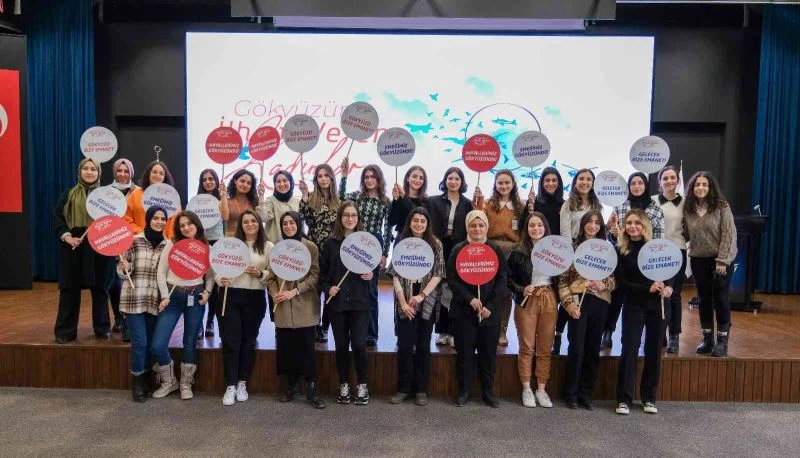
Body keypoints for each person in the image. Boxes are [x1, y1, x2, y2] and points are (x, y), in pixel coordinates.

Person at [447, 210, 508, 408]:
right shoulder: (458, 249)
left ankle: (488, 392)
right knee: (464, 354)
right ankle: (463, 391)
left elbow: (502, 279)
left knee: (488, 355)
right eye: (473, 225)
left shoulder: (495, 249)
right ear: (467, 227)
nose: (477, 229)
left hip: (489, 313)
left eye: (481, 225)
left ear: (487, 227)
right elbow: (452, 279)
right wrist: (469, 298)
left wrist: (490, 305)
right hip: (464, 312)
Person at [151, 211, 214, 400]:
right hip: (172, 296)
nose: (186, 228)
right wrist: (164, 295)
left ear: (197, 224)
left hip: (196, 297)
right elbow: (161, 272)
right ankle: (169, 381)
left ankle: (186, 383)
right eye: (182, 225)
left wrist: (207, 292)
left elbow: (210, 276)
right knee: (158, 344)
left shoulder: (206, 246)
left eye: (189, 224)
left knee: (189, 342)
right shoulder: (173, 244)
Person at [614, 209, 672, 415]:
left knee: (653, 351)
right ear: (624, 227)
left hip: (658, 305)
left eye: (637, 223)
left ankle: (649, 398)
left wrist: (669, 287)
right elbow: (621, 282)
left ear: (645, 225)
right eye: (629, 223)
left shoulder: (657, 248)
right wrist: (646, 288)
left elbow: (671, 271)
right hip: (633, 304)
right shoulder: (621, 250)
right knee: (629, 350)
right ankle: (624, 399)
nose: (633, 227)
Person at [387, 207, 445, 406]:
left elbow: (439, 273)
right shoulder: (401, 242)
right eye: (415, 220)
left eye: (422, 221)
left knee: (423, 346)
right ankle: (403, 389)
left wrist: (422, 296)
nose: (419, 224)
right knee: (404, 346)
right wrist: (403, 302)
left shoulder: (436, 244)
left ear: (428, 224)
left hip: (426, 299)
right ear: (409, 222)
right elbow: (394, 273)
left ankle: (421, 390)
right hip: (405, 299)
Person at [558, 211, 616, 410]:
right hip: (577, 302)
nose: (593, 226)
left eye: (597, 223)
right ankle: (571, 393)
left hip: (600, 303)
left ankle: (586, 393)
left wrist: (604, 284)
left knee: (593, 349)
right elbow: (562, 282)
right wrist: (569, 305)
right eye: (589, 222)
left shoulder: (606, 250)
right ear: (582, 224)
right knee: (576, 349)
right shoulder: (572, 249)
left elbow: (614, 281)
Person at [267, 211, 325, 409]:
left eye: (292, 223)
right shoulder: (277, 248)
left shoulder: (310, 247)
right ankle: (291, 386)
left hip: (304, 304)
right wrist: (275, 292)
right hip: (283, 305)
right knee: (286, 348)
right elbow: (271, 278)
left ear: (299, 224)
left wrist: (296, 291)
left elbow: (315, 275)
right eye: (285, 224)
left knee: (307, 348)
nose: (289, 227)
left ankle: (311, 387)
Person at [601, 172, 665, 351]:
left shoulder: (655, 208)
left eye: (640, 183)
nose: (636, 186)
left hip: (648, 259)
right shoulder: (620, 206)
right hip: (625, 256)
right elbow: (611, 236)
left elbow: (660, 237)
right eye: (633, 183)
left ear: (646, 185)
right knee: (617, 296)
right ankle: (608, 331)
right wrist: (612, 232)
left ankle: (657, 333)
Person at [53, 158, 113, 343]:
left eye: (93, 169)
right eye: (85, 168)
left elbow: (115, 221)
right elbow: (57, 218)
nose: (89, 172)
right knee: (69, 289)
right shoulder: (68, 195)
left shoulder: (107, 197)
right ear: (79, 172)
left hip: (99, 246)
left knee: (100, 288)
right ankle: (65, 332)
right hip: (73, 246)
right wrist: (66, 236)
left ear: (98, 172)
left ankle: (102, 329)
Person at [319, 201, 374, 405]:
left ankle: (362, 384)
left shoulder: (366, 243)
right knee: (341, 346)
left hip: (360, 303)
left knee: (359, 345)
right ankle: (343, 383)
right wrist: (328, 288)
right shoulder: (329, 244)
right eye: (346, 215)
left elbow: (375, 270)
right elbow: (322, 275)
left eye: (354, 215)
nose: (350, 219)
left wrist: (371, 274)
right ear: (340, 218)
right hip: (338, 304)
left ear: (358, 218)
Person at [216, 210, 272, 406]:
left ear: (259, 223)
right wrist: (220, 278)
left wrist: (260, 273)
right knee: (231, 340)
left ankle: (242, 383)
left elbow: (273, 274)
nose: (250, 224)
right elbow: (217, 267)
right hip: (230, 295)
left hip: (255, 297)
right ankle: (230, 385)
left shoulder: (268, 246)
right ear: (241, 225)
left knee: (248, 341)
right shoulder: (230, 244)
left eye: (253, 221)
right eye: (245, 221)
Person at [507, 212, 558, 408]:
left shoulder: (555, 251)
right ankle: (527, 388)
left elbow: (561, 277)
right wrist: (521, 289)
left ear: (545, 227)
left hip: (549, 297)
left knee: (545, 347)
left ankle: (542, 389)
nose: (536, 229)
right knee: (527, 347)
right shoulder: (517, 251)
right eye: (532, 225)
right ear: (526, 229)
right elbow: (507, 279)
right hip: (527, 299)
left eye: (539, 225)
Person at [682, 171, 737, 357]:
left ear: (710, 187)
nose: (701, 188)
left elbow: (728, 234)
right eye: (697, 185)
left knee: (721, 299)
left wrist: (722, 261)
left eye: (704, 184)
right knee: (703, 299)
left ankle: (722, 341)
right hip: (698, 260)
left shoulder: (722, 206)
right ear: (692, 188)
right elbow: (685, 234)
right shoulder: (688, 209)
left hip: (720, 261)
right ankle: (707, 339)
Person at [339, 159, 392, 347]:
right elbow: (341, 197)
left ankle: (372, 333)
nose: (369, 180)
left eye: (373, 177)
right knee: (354, 287)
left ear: (379, 179)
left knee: (371, 290)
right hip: (356, 244)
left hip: (374, 245)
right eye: (366, 177)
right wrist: (344, 175)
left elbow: (387, 229)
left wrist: (385, 253)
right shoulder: (356, 197)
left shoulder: (386, 201)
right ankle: (356, 330)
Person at [117, 206, 168, 402]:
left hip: (154, 301)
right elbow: (122, 270)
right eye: (155, 218)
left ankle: (146, 379)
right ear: (148, 219)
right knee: (140, 343)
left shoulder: (167, 245)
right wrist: (124, 267)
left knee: (150, 345)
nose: (159, 222)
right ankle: (137, 381)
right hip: (134, 299)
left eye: (163, 219)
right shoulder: (134, 240)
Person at [473, 169, 524, 346]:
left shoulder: (520, 205)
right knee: (487, 290)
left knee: (506, 292)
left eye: (507, 183)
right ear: (495, 184)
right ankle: (486, 328)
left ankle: (502, 331)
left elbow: (525, 229)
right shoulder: (487, 204)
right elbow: (478, 220)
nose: (503, 186)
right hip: (491, 249)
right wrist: (477, 203)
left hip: (512, 252)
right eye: (500, 183)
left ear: (513, 184)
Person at [553, 168, 601, 355]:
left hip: (590, 253)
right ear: (575, 182)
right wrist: (572, 256)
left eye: (589, 179)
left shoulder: (597, 205)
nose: (585, 182)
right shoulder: (568, 205)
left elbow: (597, 228)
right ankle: (558, 334)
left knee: (581, 293)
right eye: (581, 178)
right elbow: (565, 233)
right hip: (571, 252)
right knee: (569, 293)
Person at [428, 166, 473, 348]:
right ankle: (441, 331)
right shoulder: (433, 201)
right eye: (450, 178)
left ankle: (454, 331)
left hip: (459, 250)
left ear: (462, 182)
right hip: (439, 248)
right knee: (439, 290)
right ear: (445, 180)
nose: (453, 182)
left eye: (457, 179)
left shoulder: (468, 204)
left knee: (455, 290)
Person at [299, 163, 341, 343]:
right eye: (319, 176)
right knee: (314, 291)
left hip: (333, 252)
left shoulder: (339, 200)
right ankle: (314, 325)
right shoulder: (310, 199)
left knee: (330, 292)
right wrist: (303, 196)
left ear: (331, 178)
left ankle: (325, 327)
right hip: (315, 252)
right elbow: (300, 220)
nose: (323, 179)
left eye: (326, 175)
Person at [654, 166, 687, 353]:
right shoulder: (652, 201)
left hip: (678, 251)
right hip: (656, 252)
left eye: (672, 177)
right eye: (665, 178)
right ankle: (660, 334)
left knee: (674, 294)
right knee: (658, 292)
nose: (669, 181)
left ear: (678, 180)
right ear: (660, 182)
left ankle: (674, 335)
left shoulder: (685, 203)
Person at [196, 168, 229, 338]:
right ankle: (199, 324)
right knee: (200, 285)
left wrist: (223, 197)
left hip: (217, 243)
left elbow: (226, 217)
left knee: (215, 287)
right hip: (200, 243)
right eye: (204, 179)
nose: (208, 182)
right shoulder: (196, 201)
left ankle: (210, 321)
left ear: (216, 181)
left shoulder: (221, 199)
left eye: (211, 179)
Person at [108, 158, 139, 339]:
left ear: (131, 173)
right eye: (119, 170)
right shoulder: (106, 192)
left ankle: (129, 320)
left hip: (133, 239)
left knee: (130, 280)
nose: (122, 174)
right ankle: (118, 317)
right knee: (114, 283)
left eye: (126, 171)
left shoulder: (138, 192)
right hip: (113, 239)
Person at [124, 160, 177, 239]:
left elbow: (174, 222)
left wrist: (169, 240)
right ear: (148, 174)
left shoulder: (171, 198)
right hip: (140, 240)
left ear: (164, 177)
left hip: (163, 242)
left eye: (161, 173)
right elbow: (126, 219)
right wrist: (140, 232)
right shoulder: (136, 194)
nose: (157, 175)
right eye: (154, 172)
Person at [258, 170, 301, 243]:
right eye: (278, 181)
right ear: (274, 184)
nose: (282, 184)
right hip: (275, 245)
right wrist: (261, 196)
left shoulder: (297, 201)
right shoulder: (271, 200)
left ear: (290, 182)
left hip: (295, 245)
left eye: (285, 180)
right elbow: (262, 218)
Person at [388, 166, 429, 233]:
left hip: (419, 238)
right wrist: (395, 200)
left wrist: (404, 196)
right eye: (414, 176)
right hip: (402, 237)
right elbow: (391, 222)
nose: (417, 180)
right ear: (407, 178)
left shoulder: (427, 201)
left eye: (421, 178)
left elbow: (416, 215)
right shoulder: (400, 198)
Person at [225, 169, 262, 237]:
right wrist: (222, 197)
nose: (245, 185)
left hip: (250, 240)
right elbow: (224, 218)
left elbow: (262, 219)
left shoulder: (254, 202)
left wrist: (261, 196)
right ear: (235, 181)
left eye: (248, 183)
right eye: (242, 181)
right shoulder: (226, 202)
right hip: (231, 240)